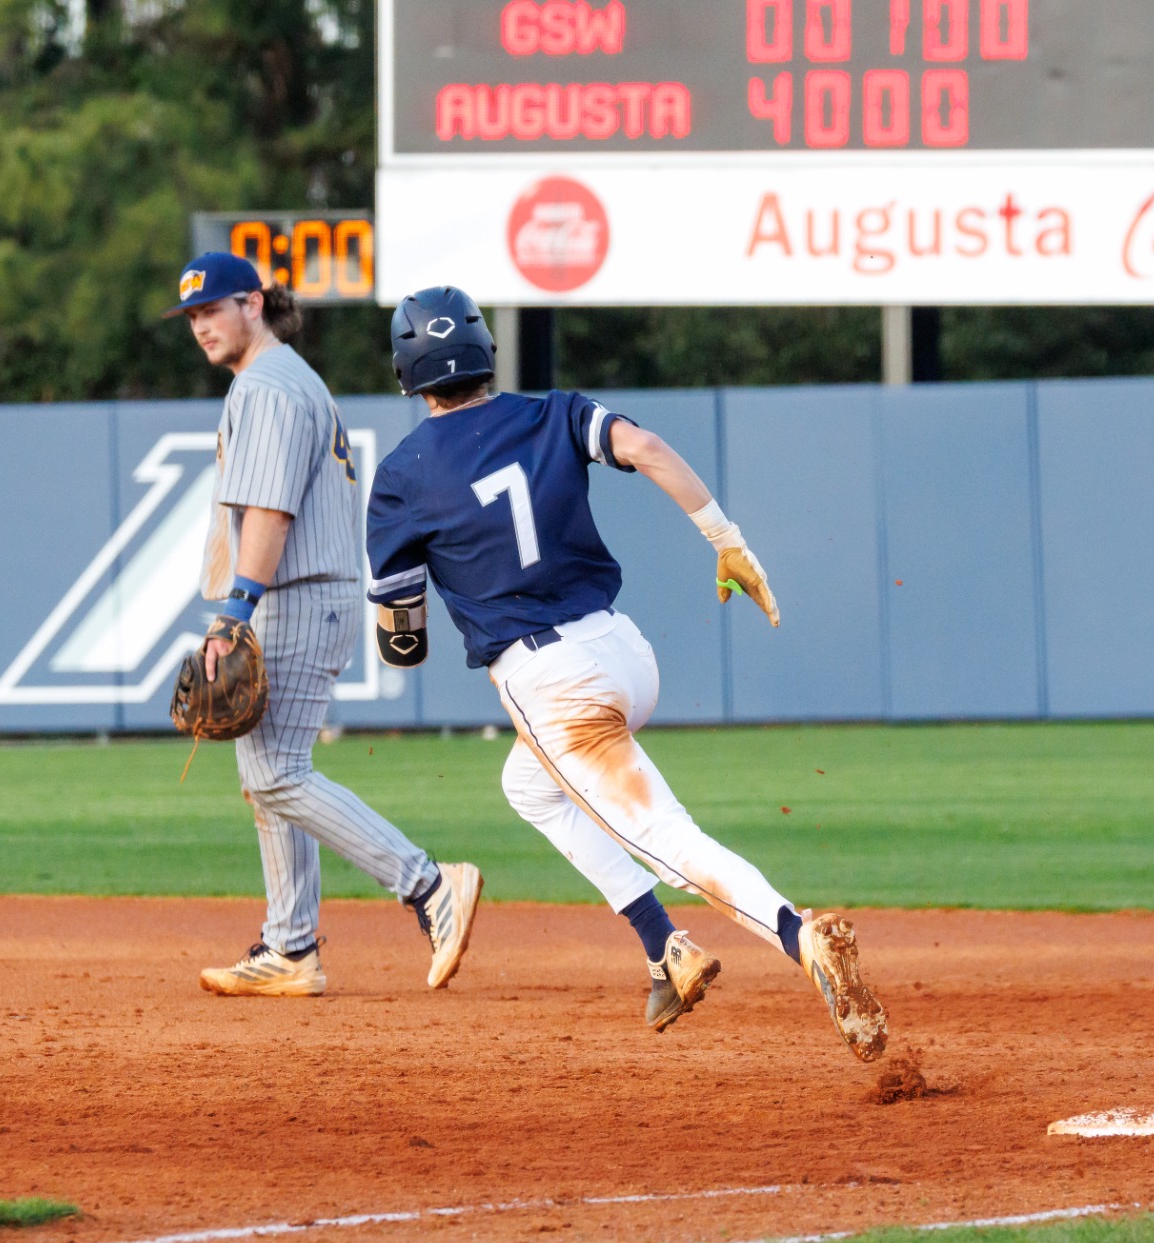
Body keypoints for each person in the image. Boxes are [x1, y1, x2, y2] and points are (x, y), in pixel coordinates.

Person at [363, 286, 887, 1059]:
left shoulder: (403, 474)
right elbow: (644, 450)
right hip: (624, 653)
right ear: (483, 351)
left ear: (408, 370)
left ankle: (800, 935)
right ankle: (663, 948)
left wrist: (416, 606)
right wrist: (725, 538)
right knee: (528, 785)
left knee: (667, 839)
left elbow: (403, 643)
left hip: (553, 684)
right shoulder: (552, 412)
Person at [166, 253, 482, 998]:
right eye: (190, 317)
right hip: (304, 591)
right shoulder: (279, 378)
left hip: (295, 593)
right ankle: (290, 946)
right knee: (267, 776)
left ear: (253, 301)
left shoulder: (270, 385)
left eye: (212, 308)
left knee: (276, 773)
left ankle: (430, 884)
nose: (200, 325)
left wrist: (236, 606)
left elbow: (270, 509)